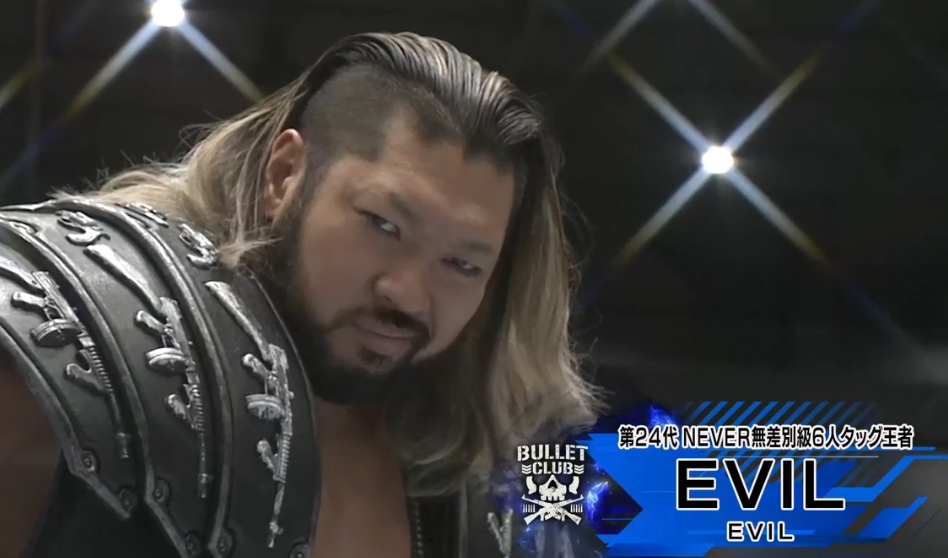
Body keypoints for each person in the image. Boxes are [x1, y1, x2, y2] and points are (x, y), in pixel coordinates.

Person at [0, 32, 602, 558]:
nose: (409, 295)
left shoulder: (499, 464)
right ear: (285, 174)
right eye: (383, 225)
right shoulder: (86, 345)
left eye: (462, 265)